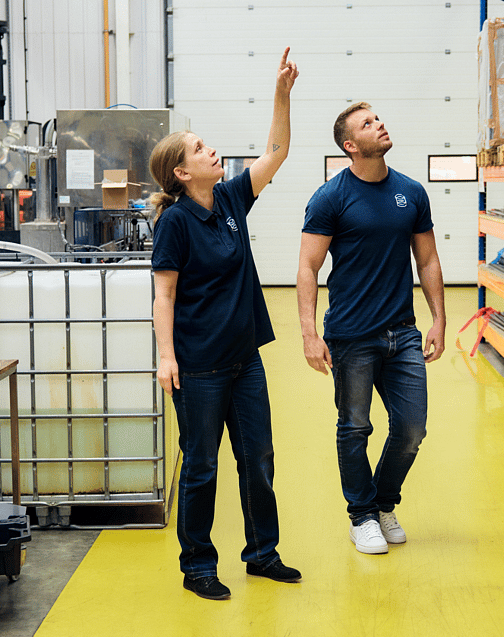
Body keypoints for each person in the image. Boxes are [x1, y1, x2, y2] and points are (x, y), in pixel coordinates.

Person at [150, 48, 300, 600]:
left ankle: (262, 555)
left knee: (258, 459)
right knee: (202, 467)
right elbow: (164, 295)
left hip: (244, 361)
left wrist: (281, 94)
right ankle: (198, 567)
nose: (211, 150)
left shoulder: (232, 198)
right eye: (199, 148)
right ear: (181, 172)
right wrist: (167, 357)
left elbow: (277, 152)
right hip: (198, 368)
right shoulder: (176, 222)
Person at [297, 102, 446, 554]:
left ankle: (382, 504)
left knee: (412, 429)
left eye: (378, 118)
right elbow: (308, 266)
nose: (379, 124)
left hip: (403, 332)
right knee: (355, 428)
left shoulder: (411, 192)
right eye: (368, 123)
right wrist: (309, 333)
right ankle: (362, 516)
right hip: (351, 335)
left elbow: (427, 259)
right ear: (350, 145)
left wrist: (439, 318)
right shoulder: (330, 197)